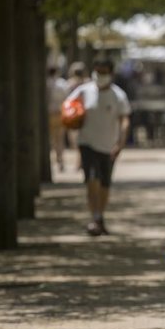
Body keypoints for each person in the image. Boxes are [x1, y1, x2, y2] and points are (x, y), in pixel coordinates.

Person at [66, 59, 131, 236]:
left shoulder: (118, 95)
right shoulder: (83, 91)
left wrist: (120, 143)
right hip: (87, 143)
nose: (99, 75)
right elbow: (68, 107)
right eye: (97, 71)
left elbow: (124, 120)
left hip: (108, 146)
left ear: (110, 73)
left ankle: (100, 216)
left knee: (104, 184)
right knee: (92, 179)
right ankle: (94, 217)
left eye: (103, 72)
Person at [46, 66, 70, 172]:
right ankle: (60, 161)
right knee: (60, 139)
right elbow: (67, 98)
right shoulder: (62, 84)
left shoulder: (46, 83)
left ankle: (54, 161)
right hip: (60, 113)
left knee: (51, 139)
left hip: (49, 114)